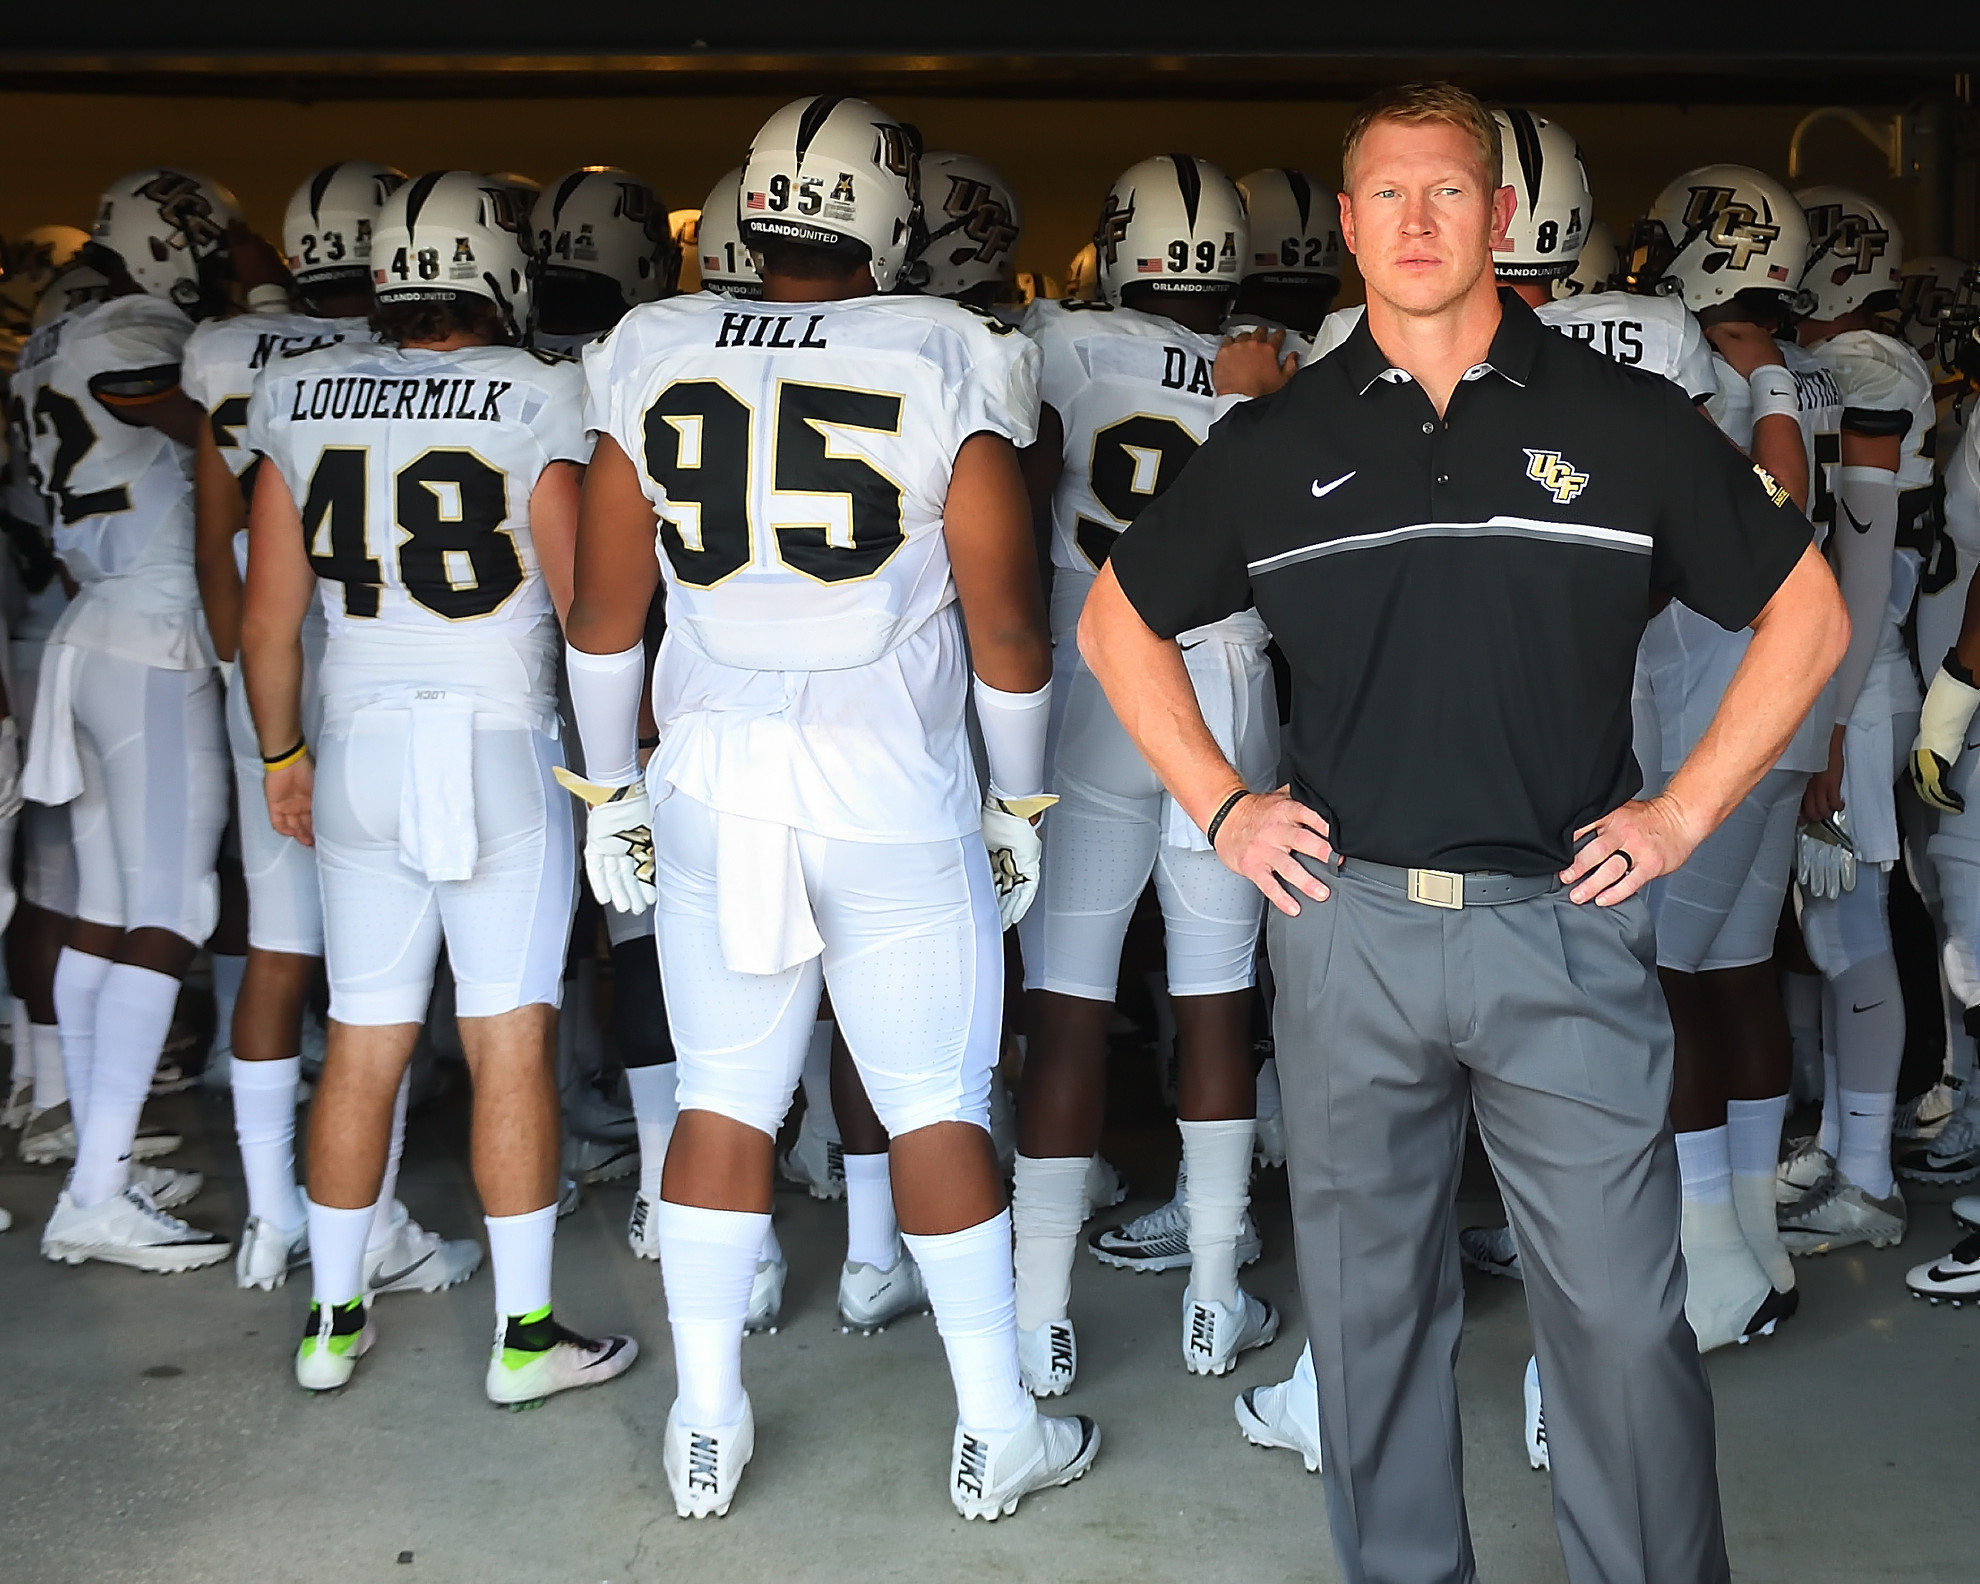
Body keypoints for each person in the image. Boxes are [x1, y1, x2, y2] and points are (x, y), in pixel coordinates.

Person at [1077, 83, 1848, 1584]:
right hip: (1349, 925)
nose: (1417, 222)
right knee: (1368, 1329)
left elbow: (1807, 615)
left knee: (1624, 1323)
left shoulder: (1626, 424)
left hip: (1562, 923)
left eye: (1448, 193)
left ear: (1500, 220)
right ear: (1350, 223)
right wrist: (1227, 809)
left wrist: (1684, 810)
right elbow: (1117, 627)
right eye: (1386, 196)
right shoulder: (1275, 437)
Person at [564, 93, 1098, 1521]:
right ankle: (995, 1430)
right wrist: (1025, 799)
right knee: (931, 1102)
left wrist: (605, 781)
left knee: (723, 1097)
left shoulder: (653, 347)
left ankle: (703, 1421)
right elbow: (1006, 626)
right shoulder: (948, 354)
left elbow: (604, 611)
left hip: (712, 794)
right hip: (886, 800)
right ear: (893, 218)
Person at [239, 170, 634, 1405]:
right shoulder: (537, 392)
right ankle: (524, 1340)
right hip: (489, 740)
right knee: (509, 1039)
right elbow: (583, 608)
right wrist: (619, 762)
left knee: (363, 1039)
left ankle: (329, 1319)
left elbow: (267, 623)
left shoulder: (297, 392)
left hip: (351, 740)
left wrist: (281, 758)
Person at [1012, 152, 1291, 1399]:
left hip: (1094, 681)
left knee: (1067, 1002)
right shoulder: (1290, 365)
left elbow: (1015, 519)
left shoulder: (1062, 344)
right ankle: (1215, 1298)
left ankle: (1035, 1316)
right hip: (1225, 693)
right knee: (1218, 1002)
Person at [30, 170, 255, 1272]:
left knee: (108, 908)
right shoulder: (127, 326)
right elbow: (194, 417)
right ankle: (96, 1188)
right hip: (151, 642)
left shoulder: (53, 331)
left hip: (96, 626)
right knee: (174, 904)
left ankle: (94, 1156)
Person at [1777, 184, 1937, 1253]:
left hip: (1857, 687)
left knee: (1850, 937)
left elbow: (1870, 569)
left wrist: (1830, 723)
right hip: (1839, 684)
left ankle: (1870, 1175)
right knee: (1832, 936)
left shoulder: (1875, 368)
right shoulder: (1852, 364)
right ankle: (1845, 1140)